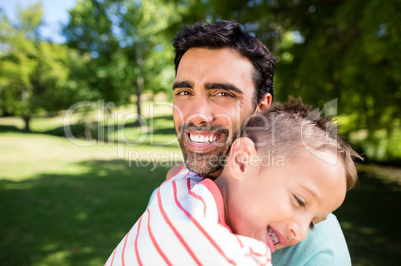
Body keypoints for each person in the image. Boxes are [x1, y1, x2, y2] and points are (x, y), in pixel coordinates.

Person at [106, 99, 361, 265]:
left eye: (313, 223)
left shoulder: (183, 184)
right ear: (241, 161)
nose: (302, 232)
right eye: (300, 201)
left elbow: (177, 173)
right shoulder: (242, 258)